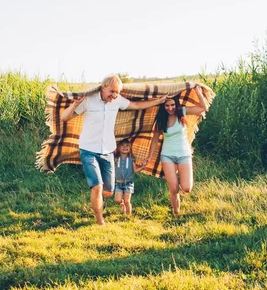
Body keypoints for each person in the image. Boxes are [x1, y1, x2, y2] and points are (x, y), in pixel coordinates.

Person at [61, 75, 166, 225]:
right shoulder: (88, 101)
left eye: (117, 92)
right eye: (112, 91)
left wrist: (158, 101)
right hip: (88, 149)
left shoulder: (117, 101)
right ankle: (100, 221)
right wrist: (74, 105)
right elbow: (65, 117)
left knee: (108, 191)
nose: (114, 95)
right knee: (97, 185)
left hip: (108, 150)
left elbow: (136, 106)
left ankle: (100, 200)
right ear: (103, 87)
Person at [146, 85, 208, 216]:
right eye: (167, 106)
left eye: (172, 105)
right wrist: (149, 156)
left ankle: (180, 182)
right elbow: (155, 139)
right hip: (167, 155)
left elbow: (203, 108)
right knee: (173, 189)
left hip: (184, 154)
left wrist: (198, 93)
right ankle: (176, 213)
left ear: (176, 103)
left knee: (186, 188)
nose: (170, 108)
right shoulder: (161, 119)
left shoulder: (183, 112)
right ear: (163, 106)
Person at [114, 139, 143, 215]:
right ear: (118, 147)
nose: (125, 147)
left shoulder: (131, 160)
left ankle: (128, 217)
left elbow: (135, 170)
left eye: (127, 145)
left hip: (128, 183)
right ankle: (122, 204)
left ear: (130, 148)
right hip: (118, 183)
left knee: (127, 201)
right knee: (117, 200)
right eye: (122, 145)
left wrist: (143, 166)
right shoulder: (116, 159)